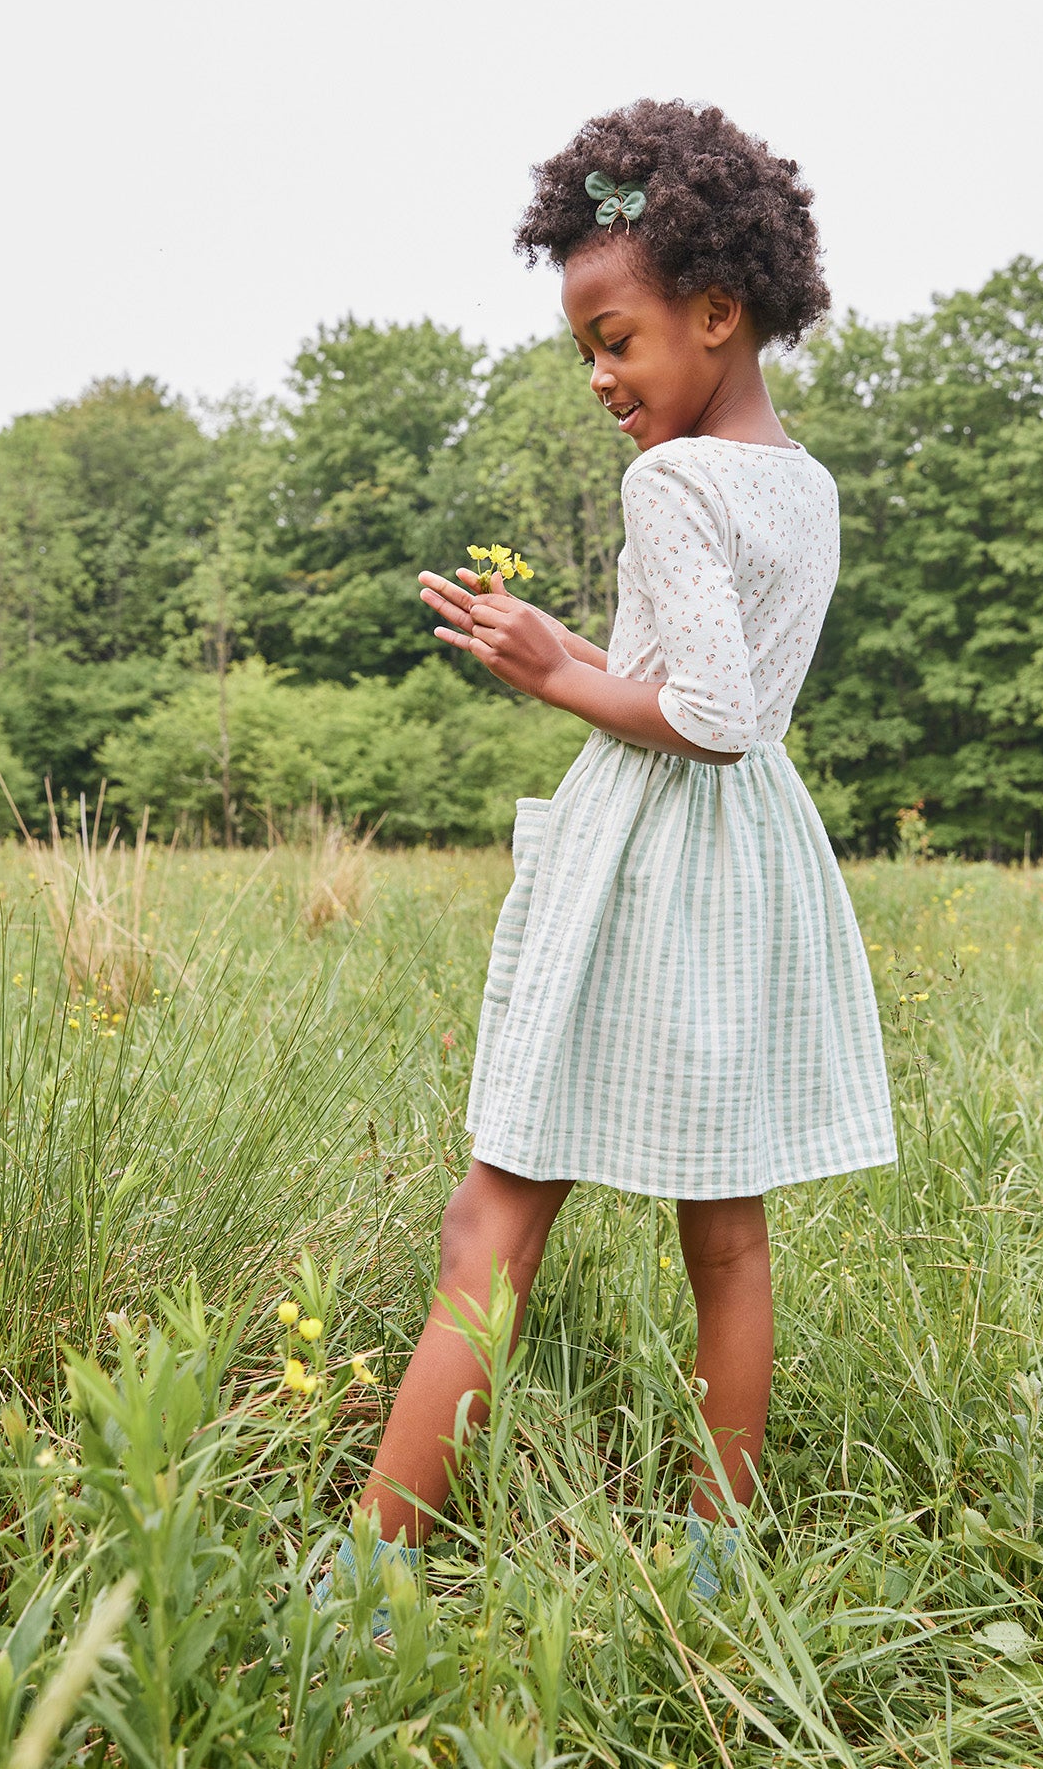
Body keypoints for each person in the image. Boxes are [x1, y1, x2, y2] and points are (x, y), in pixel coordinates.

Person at [319, 97, 895, 1629]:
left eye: (617, 338)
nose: (598, 377)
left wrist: (542, 678)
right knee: (727, 1231)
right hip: (752, 858)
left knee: (493, 1213)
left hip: (648, 862)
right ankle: (717, 1558)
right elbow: (717, 690)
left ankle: (368, 1574)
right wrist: (567, 642)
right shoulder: (800, 481)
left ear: (716, 314)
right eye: (584, 345)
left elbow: (695, 717)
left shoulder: (671, 484)